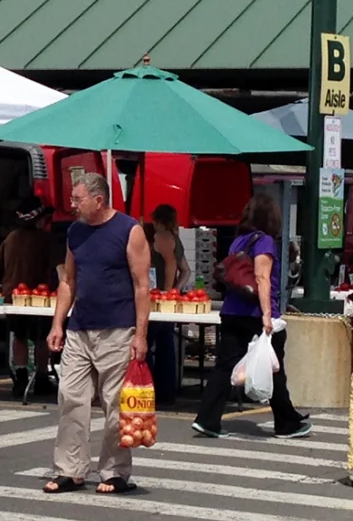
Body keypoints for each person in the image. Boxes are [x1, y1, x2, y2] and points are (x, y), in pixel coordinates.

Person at [44, 167, 151, 495]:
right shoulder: (75, 232)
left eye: (78, 199)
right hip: (79, 328)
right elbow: (68, 280)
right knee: (70, 397)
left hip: (117, 329)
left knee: (115, 403)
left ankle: (115, 471)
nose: (73, 205)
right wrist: (57, 323)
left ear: (98, 199)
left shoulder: (129, 230)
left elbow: (142, 285)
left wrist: (140, 335)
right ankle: (70, 469)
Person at [192, 191, 301, 438]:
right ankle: (287, 423)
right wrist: (266, 314)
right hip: (255, 314)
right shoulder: (264, 242)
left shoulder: (238, 241)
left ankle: (207, 419)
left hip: (232, 310)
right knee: (275, 368)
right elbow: (262, 277)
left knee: (224, 366)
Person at [0, 202, 60, 394]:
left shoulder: (10, 238)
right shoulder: (46, 240)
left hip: (13, 297)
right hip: (40, 299)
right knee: (42, 338)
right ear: (40, 220)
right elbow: (61, 269)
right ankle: (41, 377)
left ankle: (21, 376)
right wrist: (65, 287)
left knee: (20, 337)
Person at [146, 202, 188, 407]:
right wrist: (177, 290)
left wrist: (167, 290)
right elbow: (185, 270)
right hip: (167, 300)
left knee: (146, 343)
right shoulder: (176, 239)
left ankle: (151, 387)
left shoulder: (161, 237)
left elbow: (171, 264)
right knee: (166, 345)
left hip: (157, 300)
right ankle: (167, 392)